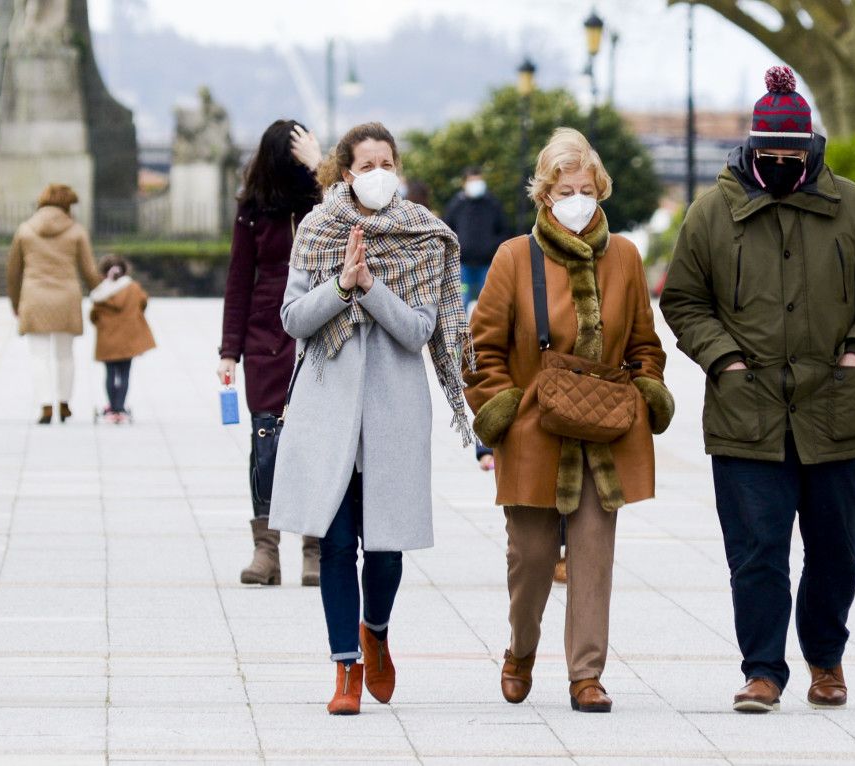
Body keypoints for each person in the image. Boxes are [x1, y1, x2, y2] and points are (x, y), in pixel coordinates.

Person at [660, 67, 855, 713]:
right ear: (750, 148)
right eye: (768, 154)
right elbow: (685, 300)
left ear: (810, 149)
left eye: (792, 155)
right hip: (747, 413)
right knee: (757, 553)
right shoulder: (713, 212)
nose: (779, 164)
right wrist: (725, 361)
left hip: (834, 408)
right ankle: (763, 671)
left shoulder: (852, 206)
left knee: (837, 549)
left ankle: (826, 660)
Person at [464, 127, 674, 714]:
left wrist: (647, 390)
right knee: (530, 560)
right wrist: (501, 405)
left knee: (592, 556)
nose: (577, 199)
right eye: (564, 189)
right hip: (535, 431)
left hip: (606, 433)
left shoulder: (626, 257)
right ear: (544, 196)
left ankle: (587, 676)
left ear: (601, 191)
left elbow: (644, 342)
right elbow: (482, 350)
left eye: (586, 188)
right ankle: (521, 651)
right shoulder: (513, 257)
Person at [269, 121, 471, 716]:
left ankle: (375, 630)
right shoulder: (316, 230)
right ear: (346, 172)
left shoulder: (423, 238)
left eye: (387, 162)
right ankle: (345, 671)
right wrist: (340, 283)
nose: (378, 173)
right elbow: (293, 318)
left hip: (393, 413)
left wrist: (371, 286)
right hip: (327, 412)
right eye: (366, 164)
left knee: (385, 551)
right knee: (333, 546)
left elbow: (419, 331)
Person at [218, 120, 325, 587]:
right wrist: (229, 351)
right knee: (267, 443)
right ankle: (266, 549)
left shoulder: (323, 204)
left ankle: (315, 547)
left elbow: (361, 217)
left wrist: (321, 167)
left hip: (317, 332)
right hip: (265, 335)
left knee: (319, 443)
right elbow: (238, 280)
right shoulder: (254, 210)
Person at [6, 183, 102, 424]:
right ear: (67, 205)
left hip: (34, 296)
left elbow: (13, 272)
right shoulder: (77, 231)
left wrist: (16, 303)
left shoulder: (25, 230)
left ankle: (46, 405)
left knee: (39, 356)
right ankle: (64, 402)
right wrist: (102, 295)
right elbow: (90, 272)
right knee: (65, 355)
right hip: (67, 297)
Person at [89, 255, 156, 423]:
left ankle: (112, 407)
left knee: (110, 373)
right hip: (129, 338)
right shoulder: (133, 288)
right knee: (125, 373)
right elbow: (144, 303)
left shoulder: (100, 293)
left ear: (103, 273)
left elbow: (93, 316)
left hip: (107, 340)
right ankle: (120, 407)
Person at [443, 166, 510, 310]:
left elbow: (504, 231)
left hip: (486, 264)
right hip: (462, 264)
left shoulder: (492, 204)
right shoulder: (456, 204)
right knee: (461, 302)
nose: (476, 184)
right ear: (464, 183)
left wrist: (491, 247)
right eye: (472, 181)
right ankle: (460, 332)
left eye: (478, 180)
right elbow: (446, 230)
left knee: (487, 304)